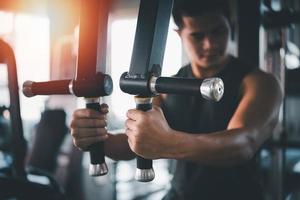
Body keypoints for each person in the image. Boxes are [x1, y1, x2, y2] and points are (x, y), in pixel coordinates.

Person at [70, 0, 283, 199]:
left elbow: (242, 145)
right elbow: (132, 145)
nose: (210, 44)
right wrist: (95, 138)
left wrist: (168, 143)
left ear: (231, 25)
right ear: (179, 34)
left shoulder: (259, 83)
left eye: (218, 31)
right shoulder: (165, 88)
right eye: (198, 36)